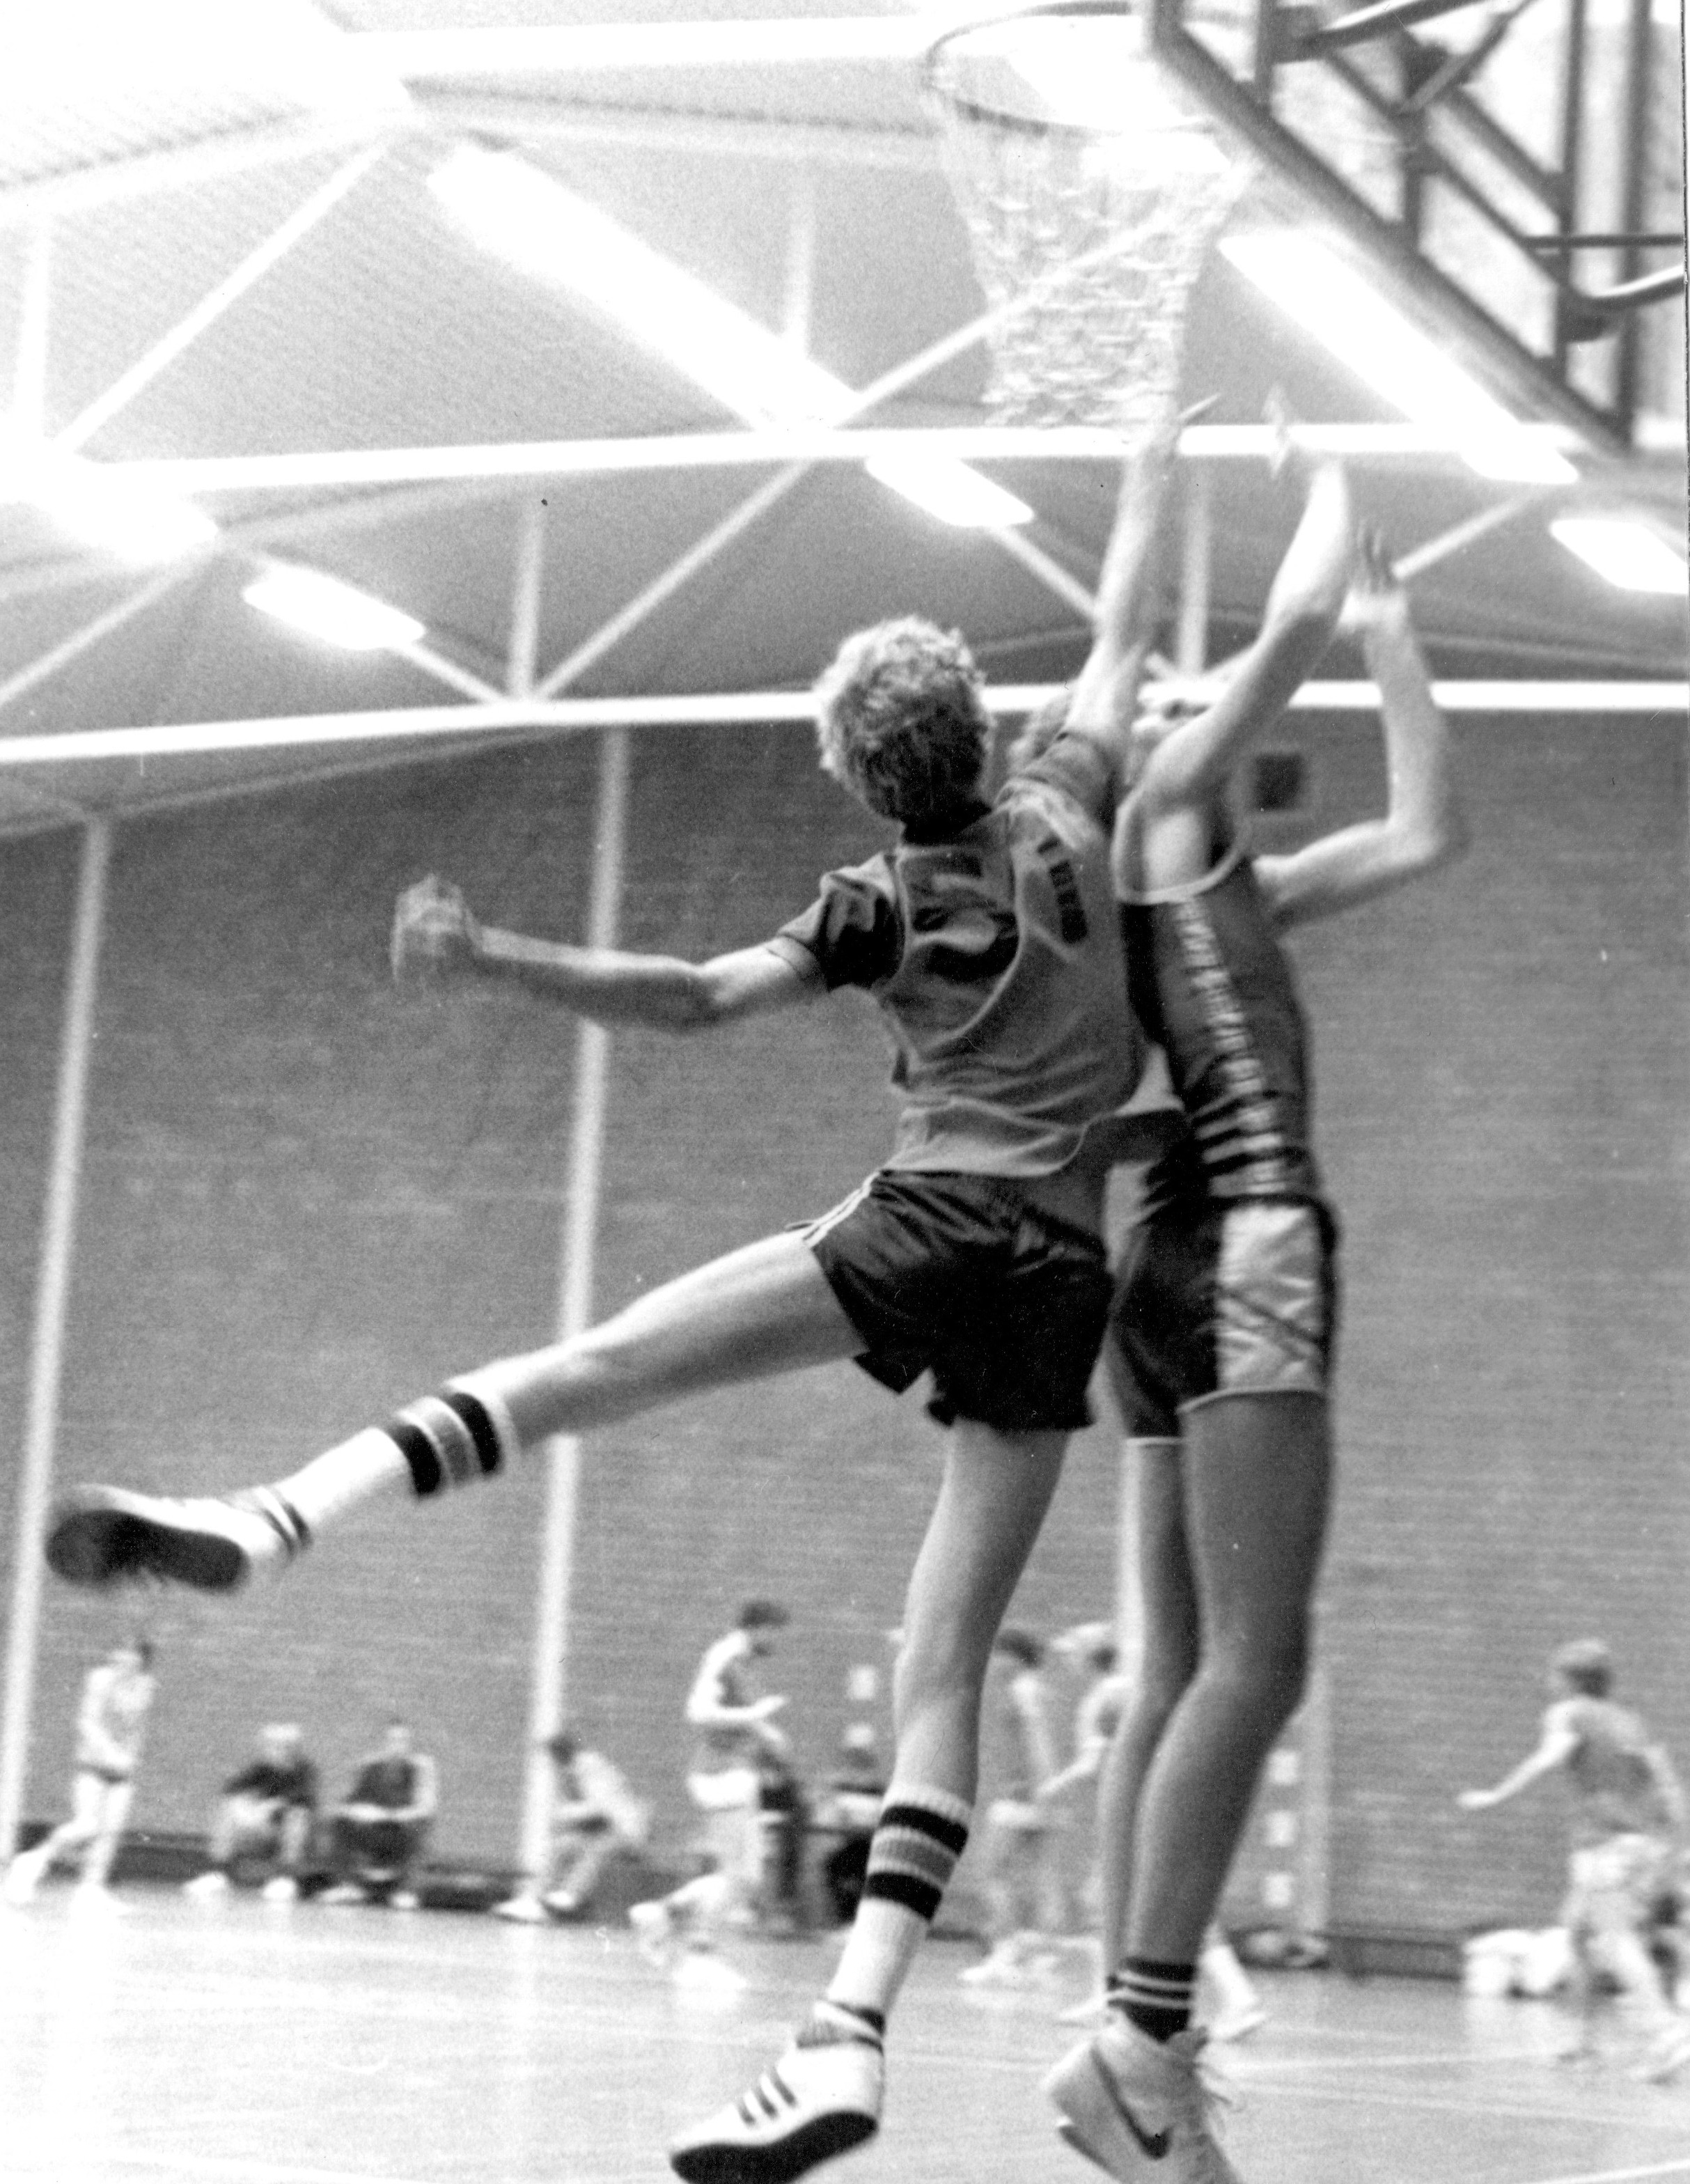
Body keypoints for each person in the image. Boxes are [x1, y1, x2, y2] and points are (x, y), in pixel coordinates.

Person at [42, 406, 1331, 2183]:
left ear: (862, 781)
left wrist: (497, 953)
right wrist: (1154, 468)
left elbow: (694, 996)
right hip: (1059, 1271)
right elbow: (1117, 620)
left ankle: (278, 1521)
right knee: (942, 1664)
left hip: (925, 1215)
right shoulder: (1069, 798)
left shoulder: (875, 900)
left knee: (588, 1367)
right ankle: (847, 2026)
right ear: (977, 724)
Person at [1040, 510, 1469, 2183]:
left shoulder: (1223, 893)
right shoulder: (1158, 810)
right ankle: (1139, 2053)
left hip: (1159, 1273)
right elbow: (1280, 623)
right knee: (1256, 1661)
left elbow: (1423, 830)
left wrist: (1390, 630)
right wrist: (1329, 511)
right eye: (1159, 701)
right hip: (1248, 1242)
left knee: (1173, 1671)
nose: (1180, 707)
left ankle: (1129, 2048)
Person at [1459, 1639, 1690, 2080]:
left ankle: (1667, 2035)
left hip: (1604, 1846)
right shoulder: (1629, 1722)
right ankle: (1582, 2045)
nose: (1549, 1682)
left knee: (1616, 1941)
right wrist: (1672, 1841)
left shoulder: (1568, 1713)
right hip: (1641, 1844)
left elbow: (1549, 1757)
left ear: (1570, 1680)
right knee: (1580, 1933)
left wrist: (1496, 1795)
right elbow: (1665, 1781)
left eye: (1554, 1675)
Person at [1043, 1626, 1264, 2043]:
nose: (1068, 1661)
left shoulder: (1105, 1699)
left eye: (1073, 1653)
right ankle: (1110, 1993)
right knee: (1122, 1903)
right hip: (1154, 1812)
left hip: (1137, 1817)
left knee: (1143, 1903)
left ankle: (1239, 1999)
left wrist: (1054, 1788)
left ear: (1089, 1657)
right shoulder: (1129, 1692)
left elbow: (1094, 1763)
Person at [627, 1600, 792, 1973]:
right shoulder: (726, 1656)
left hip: (735, 1772)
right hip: (722, 1774)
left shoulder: (743, 1661)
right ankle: (700, 1951)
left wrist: (765, 1733)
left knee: (747, 1877)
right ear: (758, 1627)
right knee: (739, 1876)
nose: (777, 1641)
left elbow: (736, 1716)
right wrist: (754, 1717)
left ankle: (663, 1913)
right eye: (774, 1632)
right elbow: (698, 1712)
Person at [4, 1636, 155, 1912]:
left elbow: (136, 1727)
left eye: (132, 1656)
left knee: (110, 1832)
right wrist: (109, 1751)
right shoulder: (100, 1679)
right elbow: (88, 1722)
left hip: (122, 1771)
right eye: (122, 1653)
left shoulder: (145, 1686)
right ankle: (33, 1861)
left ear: (141, 1661)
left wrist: (131, 1758)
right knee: (87, 1824)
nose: (124, 1660)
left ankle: (90, 1889)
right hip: (93, 1767)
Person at [959, 1628, 1068, 1988]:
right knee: (1036, 1878)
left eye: (998, 1654)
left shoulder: (1024, 1689)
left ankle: (1006, 1954)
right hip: (1035, 1794)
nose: (993, 1662)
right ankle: (1040, 1959)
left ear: (1014, 1657)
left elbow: (1039, 1741)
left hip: (1022, 1795)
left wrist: (1043, 1788)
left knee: (990, 1873)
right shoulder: (1038, 1688)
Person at [493, 1726, 649, 1923]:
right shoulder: (572, 1772)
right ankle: (532, 1900)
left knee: (597, 1848)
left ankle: (572, 1893)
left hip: (625, 1831)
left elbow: (602, 1808)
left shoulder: (590, 1767)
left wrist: (567, 1815)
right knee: (563, 1846)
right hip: (601, 1830)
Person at [183, 1721, 320, 1902]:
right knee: (229, 1808)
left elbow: (306, 1800)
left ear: (293, 1749)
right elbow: (231, 1789)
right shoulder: (260, 1770)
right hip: (259, 1828)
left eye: (284, 1747)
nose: (277, 1751)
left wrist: (274, 1805)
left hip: (290, 1832)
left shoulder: (304, 1771)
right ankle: (217, 1874)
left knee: (297, 1816)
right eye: (272, 1746)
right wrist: (247, 1804)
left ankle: (284, 1879)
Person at [320, 1719, 438, 1909]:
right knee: (340, 1821)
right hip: (374, 1830)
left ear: (410, 1744)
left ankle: (407, 1890)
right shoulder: (370, 1767)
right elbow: (347, 1803)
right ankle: (348, 1885)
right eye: (392, 1740)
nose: (397, 1746)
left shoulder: (421, 1768)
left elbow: (426, 1809)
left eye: (402, 1741)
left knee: (419, 1826)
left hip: (401, 1828)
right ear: (384, 1743)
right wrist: (356, 1811)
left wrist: (388, 1815)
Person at [813, 1726, 888, 1928]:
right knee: (834, 1868)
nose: (856, 1760)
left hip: (870, 1846)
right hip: (846, 1843)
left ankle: (860, 1922)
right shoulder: (838, 1782)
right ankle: (845, 1920)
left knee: (863, 1876)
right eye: (853, 1754)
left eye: (861, 1755)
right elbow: (825, 1812)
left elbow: (882, 1815)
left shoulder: (876, 1787)